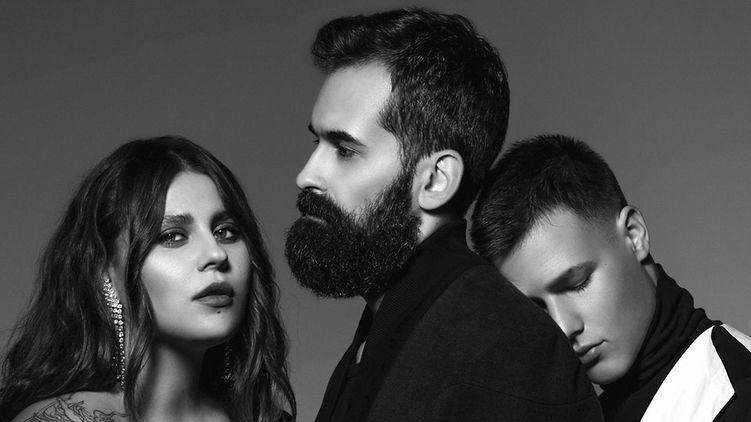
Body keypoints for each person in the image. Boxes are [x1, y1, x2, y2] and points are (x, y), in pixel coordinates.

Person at [285, 8, 602, 422]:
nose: (306, 176)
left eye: (344, 150)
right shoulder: (390, 333)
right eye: (317, 144)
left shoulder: (499, 349)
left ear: (436, 180)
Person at [0, 137, 295, 422]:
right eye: (172, 236)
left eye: (225, 231)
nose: (217, 253)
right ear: (105, 272)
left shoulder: (262, 417)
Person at [471, 134, 751, 421]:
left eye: (578, 283)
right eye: (536, 308)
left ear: (634, 235)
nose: (564, 327)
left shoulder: (737, 397)